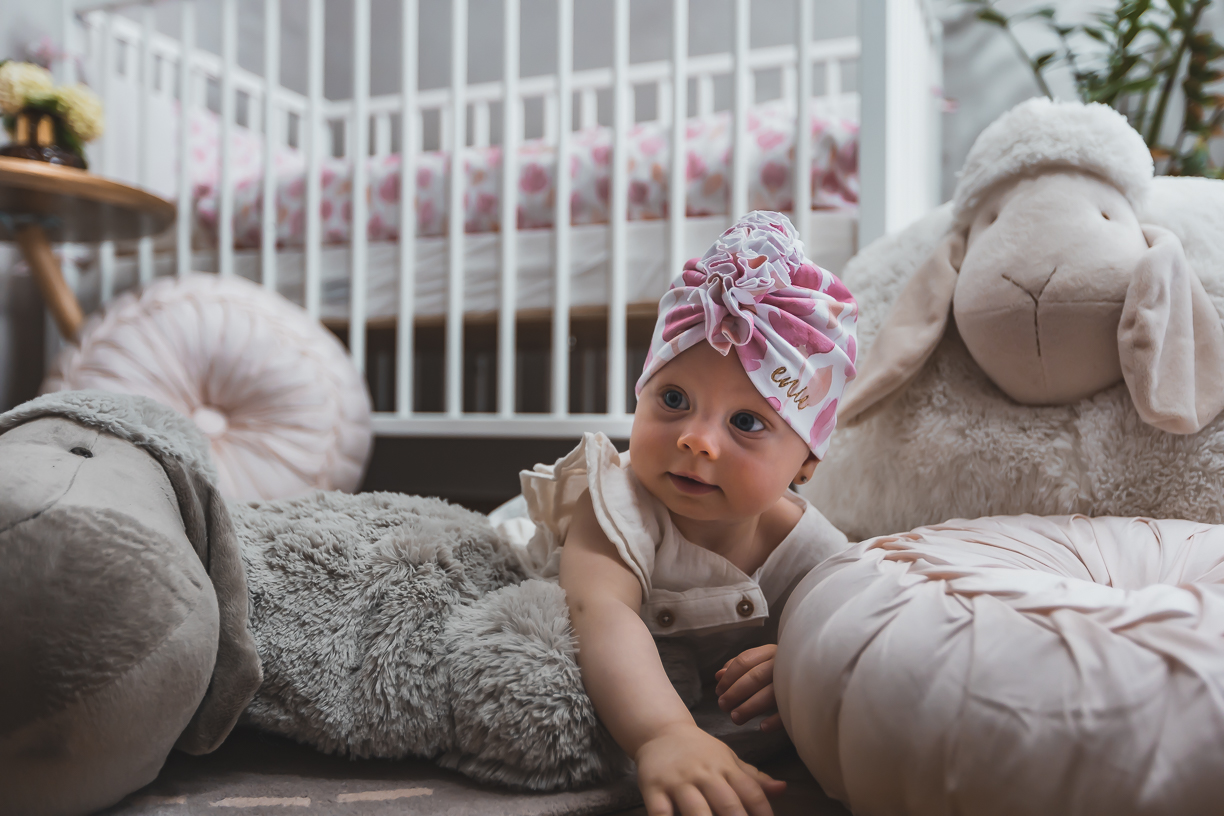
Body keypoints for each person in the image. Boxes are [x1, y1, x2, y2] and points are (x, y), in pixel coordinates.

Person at [500, 210, 857, 816]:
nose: (696, 439)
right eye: (673, 399)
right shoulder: (617, 504)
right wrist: (664, 734)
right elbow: (602, 613)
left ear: (806, 465)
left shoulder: (813, 552)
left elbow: (862, 627)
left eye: (747, 422)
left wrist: (805, 659)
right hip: (521, 552)